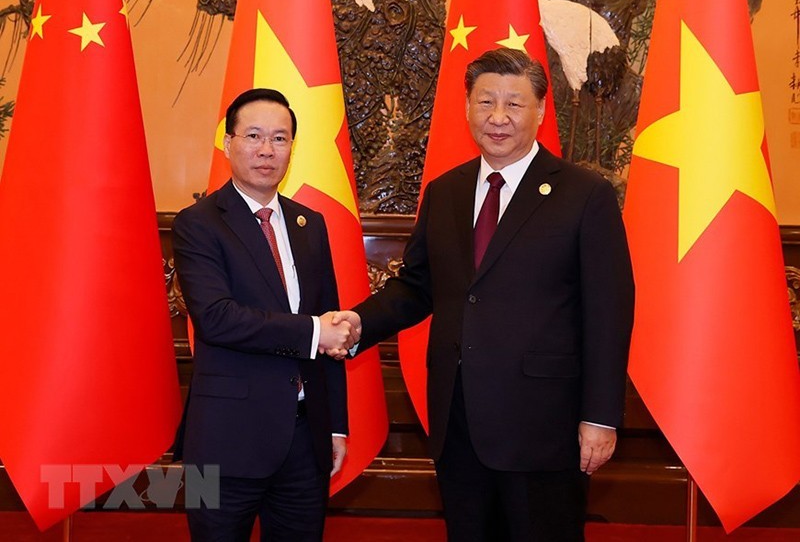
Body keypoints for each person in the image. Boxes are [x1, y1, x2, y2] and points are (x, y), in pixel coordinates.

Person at [333, 48, 635, 541]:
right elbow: (418, 286)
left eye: (514, 104)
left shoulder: (585, 195)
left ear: (539, 110)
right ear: (467, 108)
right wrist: (358, 323)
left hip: (545, 426)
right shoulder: (445, 191)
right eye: (485, 102)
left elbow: (610, 312)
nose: (498, 118)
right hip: (459, 422)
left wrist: (600, 417)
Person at [172, 88, 360, 541]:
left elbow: (328, 326)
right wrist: (315, 331)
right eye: (253, 136)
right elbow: (217, 318)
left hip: (304, 442)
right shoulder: (197, 223)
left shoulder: (309, 224)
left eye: (279, 139)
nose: (265, 150)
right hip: (222, 442)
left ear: (292, 148)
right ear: (228, 141)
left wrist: (334, 425)